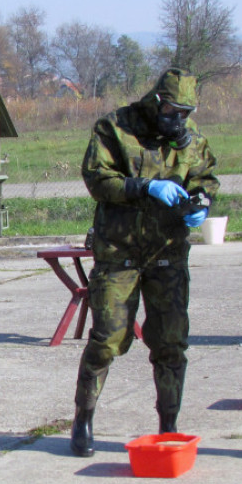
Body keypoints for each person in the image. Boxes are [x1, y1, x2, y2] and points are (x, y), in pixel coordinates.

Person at [70, 68, 220, 457]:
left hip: (167, 253)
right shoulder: (116, 127)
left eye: (185, 112)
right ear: (156, 102)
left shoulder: (191, 140)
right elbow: (97, 179)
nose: (178, 120)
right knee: (107, 338)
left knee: (171, 341)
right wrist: (145, 187)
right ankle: (83, 419)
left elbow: (205, 179)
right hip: (119, 252)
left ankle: (169, 423)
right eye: (172, 111)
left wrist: (200, 204)